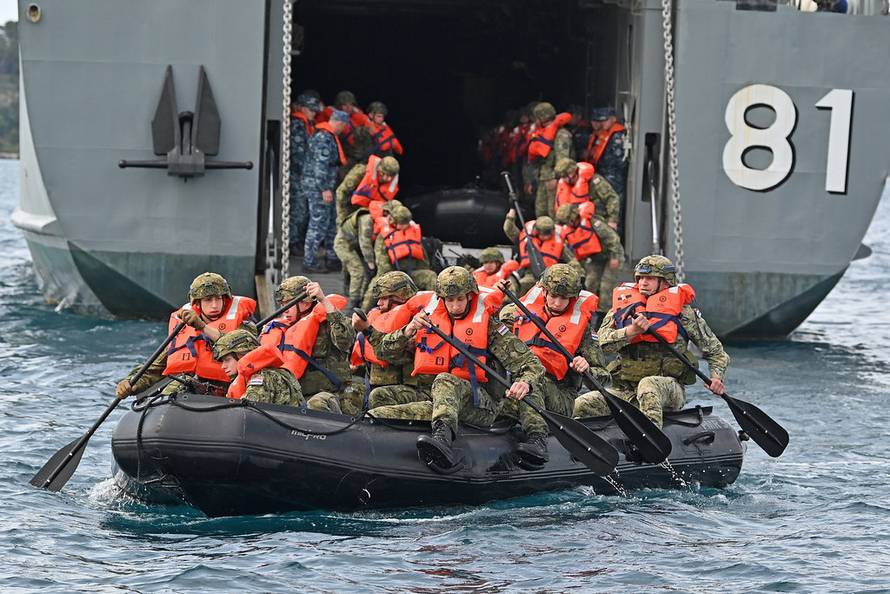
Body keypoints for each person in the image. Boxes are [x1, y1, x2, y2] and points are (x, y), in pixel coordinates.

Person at [368, 266, 550, 472]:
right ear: (441, 299)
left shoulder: (489, 327)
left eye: (460, 300)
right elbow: (382, 352)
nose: (455, 306)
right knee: (379, 398)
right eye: (449, 300)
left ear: (470, 298)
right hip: (434, 398)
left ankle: (443, 439)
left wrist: (524, 381)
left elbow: (531, 364)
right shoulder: (426, 319)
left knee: (445, 380)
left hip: (478, 403)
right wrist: (407, 330)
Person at [572, 255, 730, 428]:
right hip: (626, 390)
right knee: (582, 404)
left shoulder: (684, 314)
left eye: (650, 278)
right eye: (640, 278)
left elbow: (715, 351)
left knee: (648, 386)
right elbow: (602, 345)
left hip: (668, 388)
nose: (643, 283)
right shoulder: (622, 309)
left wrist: (716, 378)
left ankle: (652, 443)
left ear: (665, 282)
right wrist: (631, 332)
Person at [115, 273, 257, 398]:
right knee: (175, 388)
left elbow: (240, 347)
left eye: (218, 299)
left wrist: (202, 327)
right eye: (208, 300)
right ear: (197, 303)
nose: (214, 305)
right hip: (194, 387)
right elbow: (157, 365)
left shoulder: (244, 325)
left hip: (229, 389)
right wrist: (132, 382)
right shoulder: (185, 328)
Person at [505, 265, 609, 418]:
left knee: (533, 386)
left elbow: (604, 378)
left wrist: (586, 369)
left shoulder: (583, 330)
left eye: (564, 298)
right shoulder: (515, 312)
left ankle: (534, 435)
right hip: (514, 380)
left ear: (573, 298)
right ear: (544, 292)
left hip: (558, 393)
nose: (557, 303)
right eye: (553, 296)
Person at [260, 276, 361, 414]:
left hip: (332, 394)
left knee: (316, 404)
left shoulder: (328, 322)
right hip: (297, 395)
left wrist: (324, 301)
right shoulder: (280, 328)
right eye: (282, 305)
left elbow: (345, 340)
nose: (285, 310)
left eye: (288, 304)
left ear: (306, 303)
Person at [350, 271, 420, 407]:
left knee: (376, 397)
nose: (378, 302)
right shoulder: (377, 316)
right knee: (346, 394)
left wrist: (367, 330)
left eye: (384, 298)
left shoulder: (415, 325)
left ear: (399, 297)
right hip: (372, 384)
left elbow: (390, 356)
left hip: (401, 391)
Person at [555, 202, 624, 315]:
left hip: (611, 254)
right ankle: (589, 312)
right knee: (590, 283)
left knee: (606, 287)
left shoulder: (593, 222)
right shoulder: (570, 229)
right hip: (594, 257)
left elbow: (613, 238)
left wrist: (614, 257)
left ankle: (604, 315)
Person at [301, 110, 349, 273]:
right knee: (318, 223)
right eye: (344, 126)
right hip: (319, 188)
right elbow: (320, 167)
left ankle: (331, 257)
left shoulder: (326, 136)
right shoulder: (324, 138)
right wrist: (324, 189)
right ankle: (309, 261)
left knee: (329, 223)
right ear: (340, 123)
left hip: (322, 187)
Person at [212, 329, 304, 406]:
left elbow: (245, 412)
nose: (223, 366)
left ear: (242, 354)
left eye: (227, 360)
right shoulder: (265, 373)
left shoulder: (263, 377)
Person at [503, 210, 581, 294]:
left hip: (550, 276)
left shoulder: (559, 243)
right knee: (515, 286)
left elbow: (572, 260)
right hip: (527, 273)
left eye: (549, 233)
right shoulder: (525, 238)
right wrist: (511, 216)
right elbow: (509, 229)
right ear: (536, 231)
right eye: (543, 233)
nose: (546, 236)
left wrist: (578, 274)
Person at [288, 93, 322, 257]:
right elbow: (298, 153)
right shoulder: (297, 125)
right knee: (298, 210)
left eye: (315, 111)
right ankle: (293, 242)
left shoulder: (309, 124)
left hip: (306, 176)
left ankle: (298, 241)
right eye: (310, 110)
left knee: (305, 211)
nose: (313, 113)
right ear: (301, 108)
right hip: (298, 175)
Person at [526, 102, 574, 218]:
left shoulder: (561, 135)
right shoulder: (543, 133)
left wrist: (556, 178)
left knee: (554, 213)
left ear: (541, 118)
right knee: (541, 212)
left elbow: (563, 161)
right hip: (543, 178)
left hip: (554, 180)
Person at [376, 206, 437, 290]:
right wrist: (389, 279)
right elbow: (382, 261)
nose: (405, 226)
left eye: (406, 223)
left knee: (430, 276)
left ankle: (433, 302)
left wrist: (424, 269)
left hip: (412, 273)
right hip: (394, 276)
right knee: (374, 287)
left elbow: (422, 257)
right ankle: (357, 303)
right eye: (402, 224)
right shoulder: (384, 236)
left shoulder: (412, 233)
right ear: (394, 221)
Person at [553, 157, 620, 230]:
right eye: (562, 177)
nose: (564, 179)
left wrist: (612, 221)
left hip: (597, 220)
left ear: (571, 174)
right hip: (576, 224)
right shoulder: (564, 187)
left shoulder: (595, 181)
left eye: (565, 176)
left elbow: (611, 198)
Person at [335, 154, 400, 225]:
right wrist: (342, 218)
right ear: (380, 171)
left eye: (391, 176)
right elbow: (341, 192)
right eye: (386, 175)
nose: (389, 179)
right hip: (350, 208)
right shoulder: (360, 173)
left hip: (368, 217)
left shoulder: (391, 187)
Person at [585, 107, 628, 205]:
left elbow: (620, 160)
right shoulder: (604, 134)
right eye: (602, 120)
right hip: (604, 174)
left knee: (614, 201)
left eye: (605, 120)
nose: (603, 123)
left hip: (614, 176)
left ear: (613, 119)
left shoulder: (617, 136)